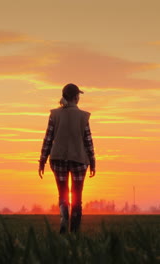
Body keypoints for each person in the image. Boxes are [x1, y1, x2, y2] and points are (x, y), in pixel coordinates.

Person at [38, 83, 96, 234]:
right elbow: (88, 141)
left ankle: (64, 218)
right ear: (76, 97)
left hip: (58, 159)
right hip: (79, 160)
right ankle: (75, 231)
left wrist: (42, 160)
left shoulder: (54, 115)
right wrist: (93, 161)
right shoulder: (83, 116)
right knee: (77, 196)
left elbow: (48, 139)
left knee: (63, 193)